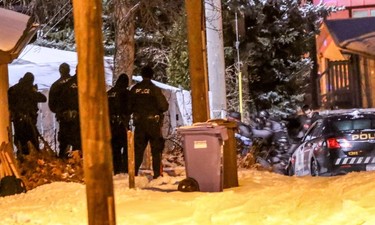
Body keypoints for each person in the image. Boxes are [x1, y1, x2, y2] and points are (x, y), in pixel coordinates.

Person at [130, 65, 169, 179]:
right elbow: (164, 106)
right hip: (153, 123)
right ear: (152, 75)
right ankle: (157, 175)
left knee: (138, 150)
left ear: (142, 75)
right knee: (156, 150)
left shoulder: (135, 89)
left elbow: (129, 105)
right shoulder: (154, 89)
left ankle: (134, 174)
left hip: (139, 123)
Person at [8, 72, 47, 155]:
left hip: (18, 120)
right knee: (33, 142)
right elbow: (43, 98)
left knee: (20, 142)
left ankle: (21, 160)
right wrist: (35, 90)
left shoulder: (14, 89)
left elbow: (9, 99)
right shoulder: (30, 90)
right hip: (29, 121)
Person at [49, 65, 81, 158]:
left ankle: (63, 163)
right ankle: (77, 165)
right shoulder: (80, 82)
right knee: (78, 144)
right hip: (79, 119)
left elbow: (52, 105)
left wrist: (61, 113)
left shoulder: (56, 85)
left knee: (64, 144)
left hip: (64, 119)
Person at [107, 73, 131, 174]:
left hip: (111, 124)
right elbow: (130, 107)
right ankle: (125, 168)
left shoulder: (109, 93)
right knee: (126, 147)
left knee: (114, 147)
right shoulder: (126, 93)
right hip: (122, 124)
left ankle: (116, 169)